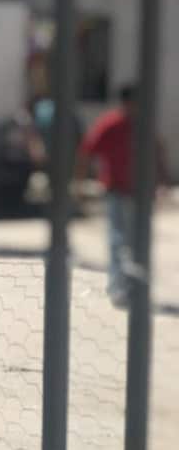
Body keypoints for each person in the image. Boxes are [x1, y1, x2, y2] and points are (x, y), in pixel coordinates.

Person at [76, 84, 170, 307]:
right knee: (118, 241)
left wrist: (163, 180)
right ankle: (119, 288)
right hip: (117, 192)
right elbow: (87, 151)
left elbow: (158, 151)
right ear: (126, 103)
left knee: (137, 242)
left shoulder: (143, 125)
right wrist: (79, 184)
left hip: (140, 193)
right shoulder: (111, 124)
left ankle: (131, 286)